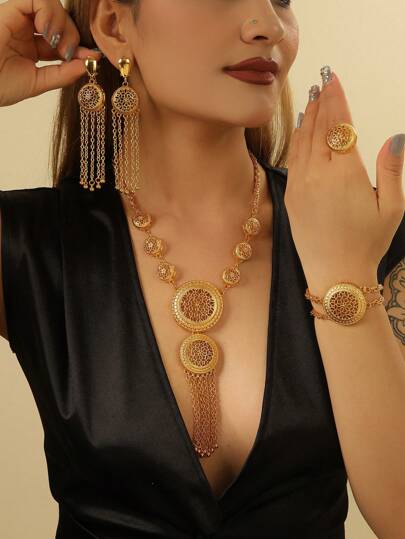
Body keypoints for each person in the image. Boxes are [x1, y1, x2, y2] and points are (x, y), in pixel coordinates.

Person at [1, 1, 404, 538]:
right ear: (115, 28)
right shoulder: (26, 241)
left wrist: (344, 274)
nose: (268, 25)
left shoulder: (364, 227)